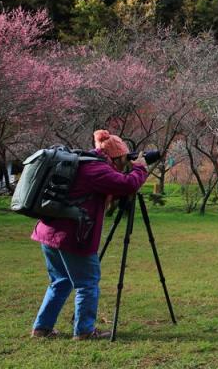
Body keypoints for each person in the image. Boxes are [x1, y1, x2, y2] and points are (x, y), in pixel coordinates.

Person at [30, 129, 149, 340]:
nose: (125, 162)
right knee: (87, 283)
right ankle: (84, 331)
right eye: (124, 158)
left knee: (60, 281)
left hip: (49, 232)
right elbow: (127, 184)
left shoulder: (83, 162)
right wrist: (139, 169)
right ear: (116, 156)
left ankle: (42, 328)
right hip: (72, 237)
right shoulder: (96, 170)